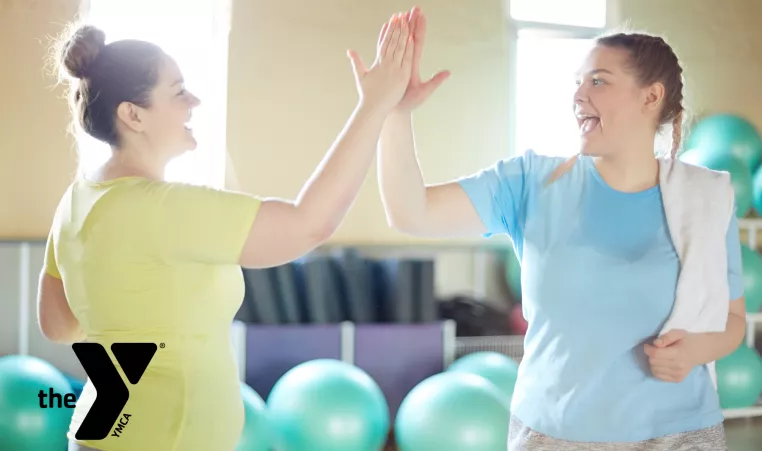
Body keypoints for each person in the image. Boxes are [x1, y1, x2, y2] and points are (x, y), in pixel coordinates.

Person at [39, 13, 414, 451]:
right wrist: (375, 106)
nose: (193, 101)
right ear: (132, 115)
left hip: (98, 435)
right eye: (178, 91)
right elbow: (310, 223)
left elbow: (58, 325)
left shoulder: (76, 200)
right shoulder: (166, 208)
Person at [381, 8, 747, 451]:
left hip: (679, 434)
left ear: (651, 97)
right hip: (552, 434)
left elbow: (732, 323)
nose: (577, 95)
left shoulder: (705, 199)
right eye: (576, 81)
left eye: (597, 81)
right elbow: (411, 211)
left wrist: (695, 351)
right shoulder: (530, 182)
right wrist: (395, 112)